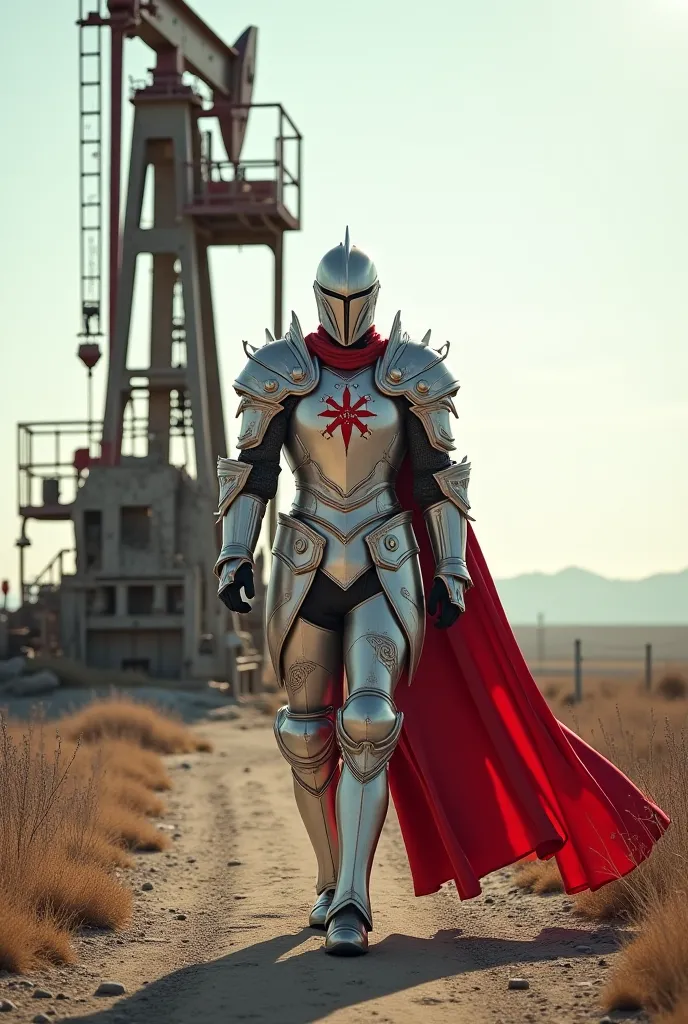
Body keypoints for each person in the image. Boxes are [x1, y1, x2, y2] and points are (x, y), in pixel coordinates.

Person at [215, 230, 669, 957]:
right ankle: (330, 880)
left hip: (384, 562)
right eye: (336, 301)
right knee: (306, 735)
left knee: (368, 721)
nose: (346, 312)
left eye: (356, 300)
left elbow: (438, 483)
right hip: (303, 566)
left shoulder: (409, 372)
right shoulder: (280, 371)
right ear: (317, 300)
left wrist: (449, 570)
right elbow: (252, 472)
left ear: (374, 299)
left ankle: (353, 907)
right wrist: (235, 552)